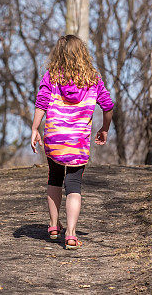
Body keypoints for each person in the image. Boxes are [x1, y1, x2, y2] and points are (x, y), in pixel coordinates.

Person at [31, 35, 114, 250]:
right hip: (77, 141)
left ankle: (52, 225)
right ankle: (70, 233)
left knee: (54, 178)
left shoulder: (52, 77)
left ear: (58, 55)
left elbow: (41, 102)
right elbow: (108, 105)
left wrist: (35, 129)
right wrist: (104, 129)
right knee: (74, 185)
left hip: (55, 138)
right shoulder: (93, 79)